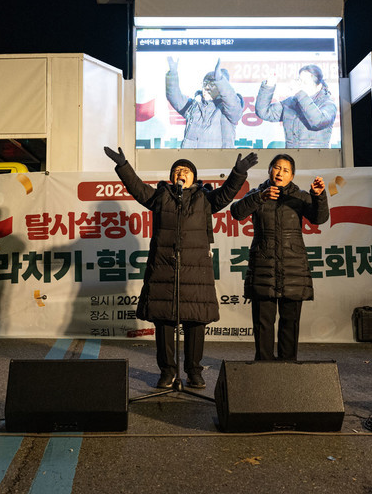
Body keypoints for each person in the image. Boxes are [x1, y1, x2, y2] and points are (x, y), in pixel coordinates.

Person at [104, 146, 258, 388]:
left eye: (186, 170)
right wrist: (123, 165)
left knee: (195, 322)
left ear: (194, 177)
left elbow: (227, 193)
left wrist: (238, 172)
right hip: (164, 269)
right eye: (177, 170)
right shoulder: (160, 196)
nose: (181, 172)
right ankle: (167, 371)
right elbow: (137, 188)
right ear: (171, 176)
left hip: (196, 271)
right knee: (164, 321)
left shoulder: (206, 199)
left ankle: (194, 371)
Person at [230, 154, 328, 361]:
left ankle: (287, 366)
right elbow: (237, 213)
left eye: (285, 170)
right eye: (276, 168)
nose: (280, 173)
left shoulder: (300, 196)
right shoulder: (258, 194)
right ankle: (264, 366)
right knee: (263, 322)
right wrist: (259, 198)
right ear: (269, 170)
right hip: (263, 266)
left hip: (294, 268)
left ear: (292, 175)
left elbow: (319, 218)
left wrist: (318, 196)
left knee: (290, 322)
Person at [165, 56, 244, 148]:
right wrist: (172, 75)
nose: (206, 87)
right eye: (205, 83)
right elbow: (174, 96)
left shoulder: (228, 111)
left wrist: (220, 80)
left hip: (218, 160)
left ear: (220, 88)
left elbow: (231, 101)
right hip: (191, 159)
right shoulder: (193, 106)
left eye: (212, 84)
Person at [255, 65, 337, 148]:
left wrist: (300, 94)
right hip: (291, 157)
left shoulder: (328, 104)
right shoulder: (290, 103)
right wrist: (269, 85)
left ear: (318, 86)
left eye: (305, 82)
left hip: (316, 157)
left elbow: (318, 122)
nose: (300, 85)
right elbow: (263, 112)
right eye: (299, 81)